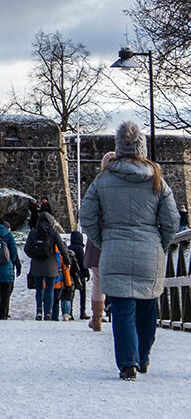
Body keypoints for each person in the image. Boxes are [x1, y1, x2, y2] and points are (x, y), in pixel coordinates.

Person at [80, 121, 179, 380]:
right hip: (150, 252)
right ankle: (143, 356)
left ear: (118, 146)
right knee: (148, 308)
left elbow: (86, 216)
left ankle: (129, 363)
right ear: (142, 147)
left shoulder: (103, 180)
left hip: (114, 248)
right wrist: (161, 243)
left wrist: (103, 240)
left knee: (123, 309)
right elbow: (171, 221)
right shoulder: (157, 178)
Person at [84, 151, 114, 331]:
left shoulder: (98, 184)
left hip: (99, 237)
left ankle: (97, 318)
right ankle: (118, 316)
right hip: (118, 236)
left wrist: (95, 235)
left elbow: (87, 214)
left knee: (98, 280)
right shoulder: (125, 182)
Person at [24, 209, 68, 320]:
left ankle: (39, 311)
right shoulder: (53, 232)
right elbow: (62, 248)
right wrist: (67, 261)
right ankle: (48, 313)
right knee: (49, 290)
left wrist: (34, 255)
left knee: (39, 289)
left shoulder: (34, 232)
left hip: (36, 266)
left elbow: (26, 249)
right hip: (51, 266)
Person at [67, 230, 89, 320]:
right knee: (82, 293)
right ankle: (82, 312)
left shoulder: (69, 248)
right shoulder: (80, 249)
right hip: (80, 274)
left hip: (71, 274)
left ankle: (70, 312)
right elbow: (83, 261)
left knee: (71, 294)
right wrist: (86, 273)